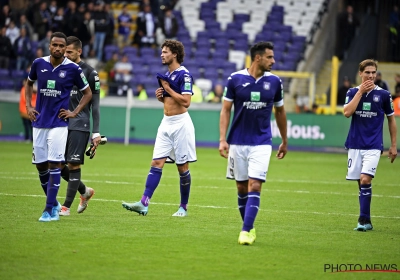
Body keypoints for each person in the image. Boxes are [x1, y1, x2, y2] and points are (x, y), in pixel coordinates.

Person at [219, 41, 288, 245]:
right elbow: (225, 110)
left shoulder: (275, 82)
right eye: (270, 57)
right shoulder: (235, 79)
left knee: (255, 185)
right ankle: (249, 226)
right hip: (237, 142)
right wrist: (223, 139)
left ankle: (245, 230)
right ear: (258, 58)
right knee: (241, 189)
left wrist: (284, 140)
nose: (273, 61)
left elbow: (280, 112)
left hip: (262, 142)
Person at [122, 39, 196, 217]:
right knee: (156, 163)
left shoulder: (184, 75)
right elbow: (171, 98)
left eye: (165, 52)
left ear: (174, 54)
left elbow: (186, 102)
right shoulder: (168, 75)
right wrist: (162, 97)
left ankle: (183, 208)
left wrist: (168, 90)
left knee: (182, 167)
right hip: (166, 123)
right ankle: (143, 203)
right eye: (162, 52)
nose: (162, 55)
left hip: (181, 124)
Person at [25, 32, 92, 222]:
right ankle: (53, 203)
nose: (58, 49)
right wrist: (29, 106)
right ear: (49, 46)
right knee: (40, 166)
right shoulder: (39, 63)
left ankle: (49, 210)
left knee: (55, 163)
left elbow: (87, 93)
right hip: (39, 122)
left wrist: (74, 112)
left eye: (62, 46)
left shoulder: (72, 68)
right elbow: (29, 83)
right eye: (55, 45)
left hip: (59, 124)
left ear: (65, 48)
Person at [343, 59, 397, 232]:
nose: (371, 76)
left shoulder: (383, 95)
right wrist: (360, 92)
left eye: (374, 72)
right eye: (367, 72)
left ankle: (362, 220)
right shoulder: (352, 92)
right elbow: (347, 113)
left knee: (366, 179)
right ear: (360, 73)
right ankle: (367, 220)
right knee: (361, 184)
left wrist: (393, 145)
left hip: (374, 145)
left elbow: (391, 119)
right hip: (355, 145)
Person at [59, 36, 101, 216]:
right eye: (64, 51)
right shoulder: (61, 70)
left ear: (79, 51)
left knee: (73, 164)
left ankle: (66, 207)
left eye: (69, 52)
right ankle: (84, 191)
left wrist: (96, 132)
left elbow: (96, 105)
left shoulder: (91, 73)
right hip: (60, 123)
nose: (66, 55)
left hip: (80, 123)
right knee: (57, 164)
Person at [19, 76, 37, 142]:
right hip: (25, 111)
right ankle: (27, 138)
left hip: (30, 111)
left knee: (31, 126)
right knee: (27, 126)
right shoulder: (24, 89)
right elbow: (25, 99)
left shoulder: (32, 90)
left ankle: (32, 139)